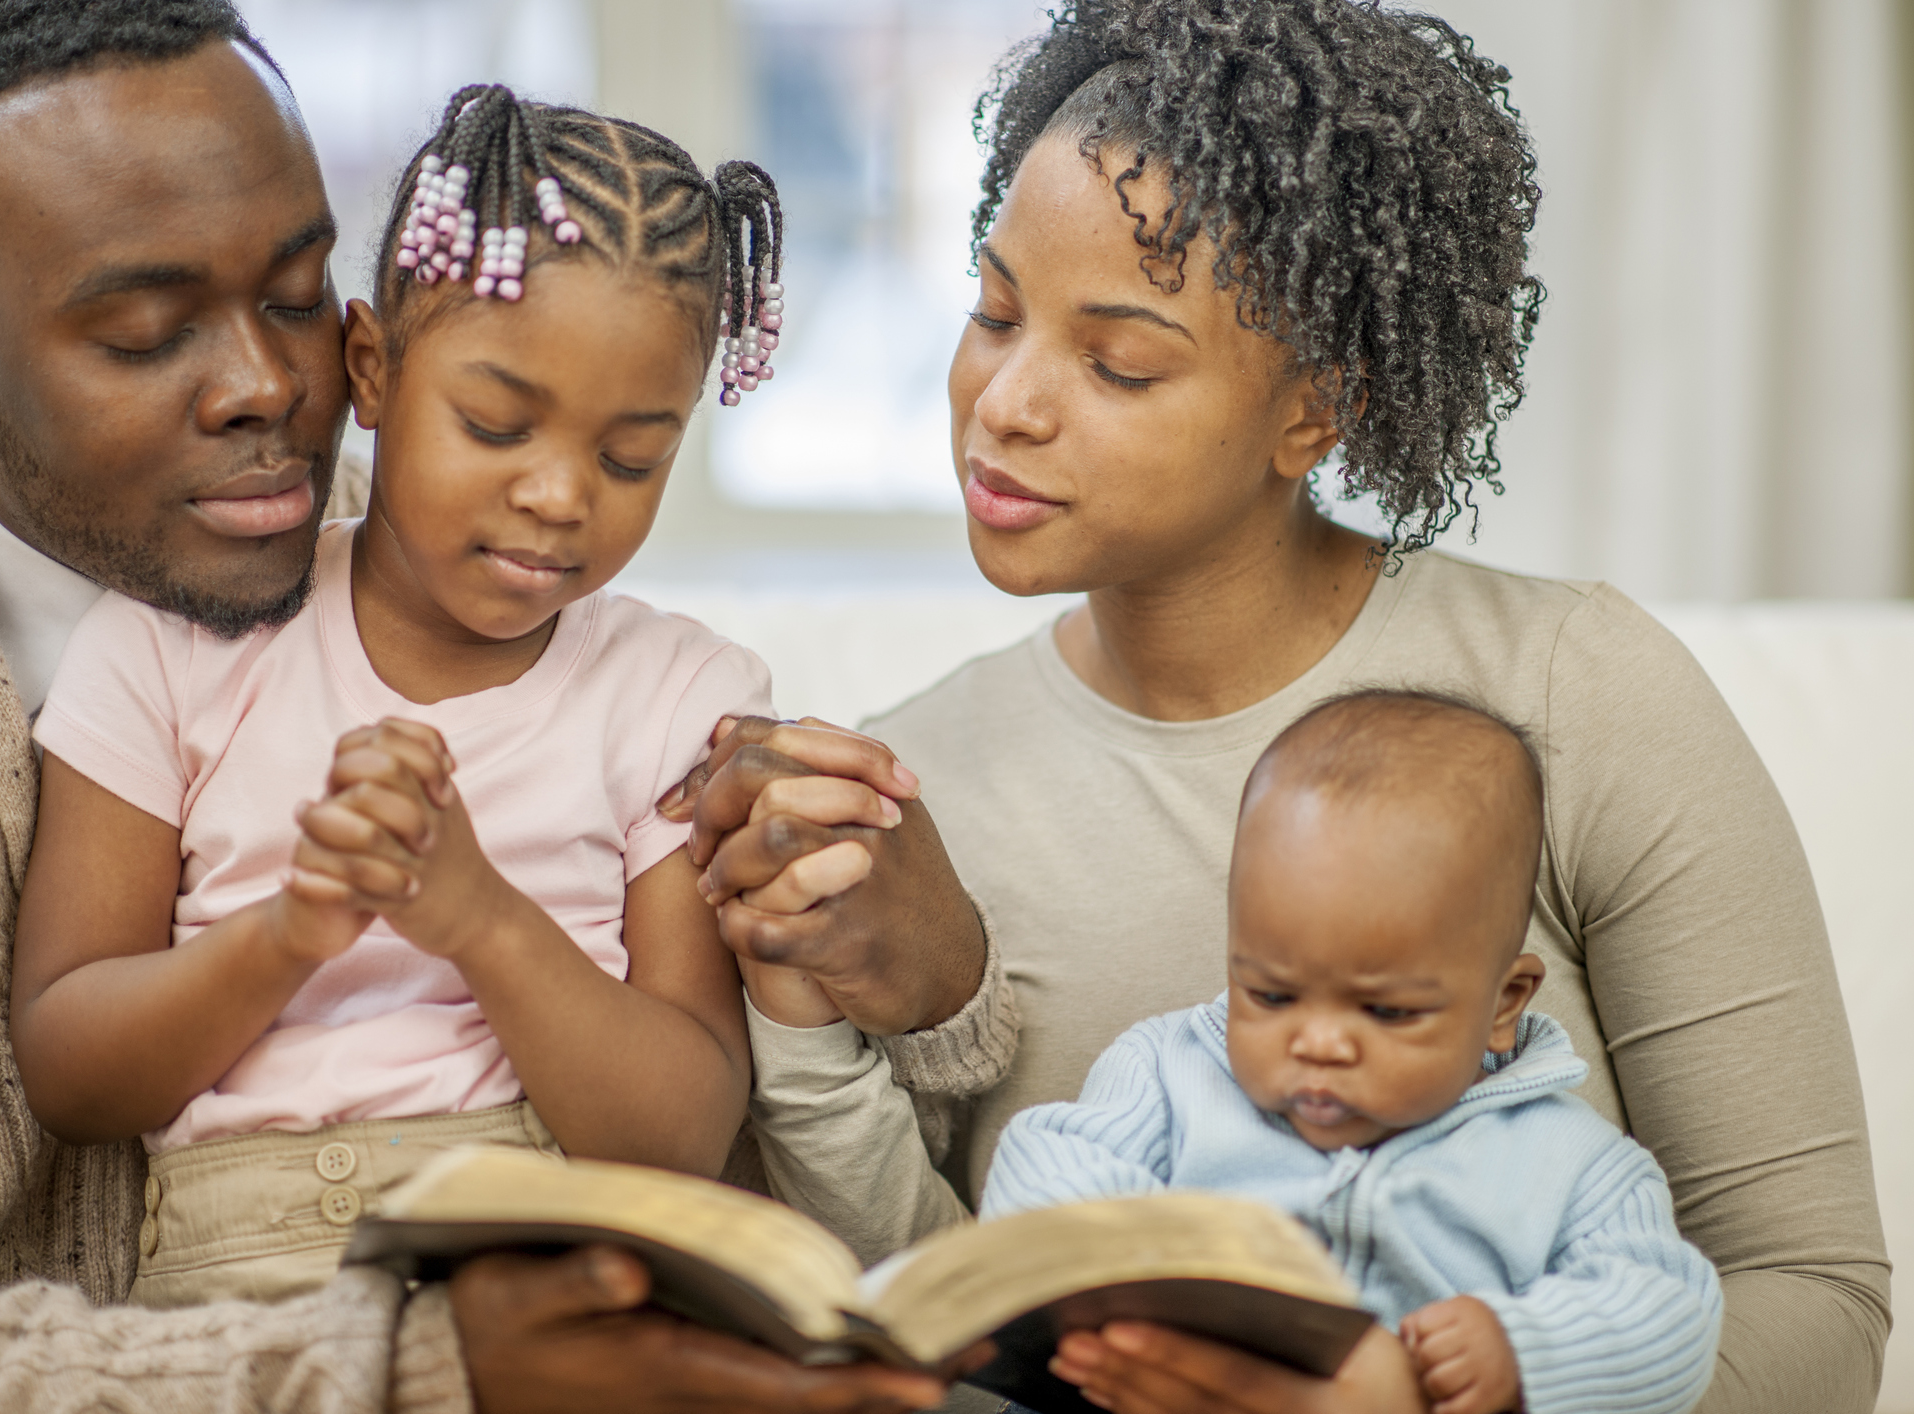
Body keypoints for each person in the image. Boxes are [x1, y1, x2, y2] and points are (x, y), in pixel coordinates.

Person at [665, 2, 1890, 1411]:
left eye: (1118, 362)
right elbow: (956, 1321)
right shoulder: (905, 792)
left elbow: (1818, 1303)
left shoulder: (1574, 696)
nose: (1002, 402)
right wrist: (810, 1008)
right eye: (993, 311)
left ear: (1314, 410)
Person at [0, 1, 946, 1408]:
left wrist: (914, 972)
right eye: (147, 332)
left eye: (294, 296)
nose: (269, 388)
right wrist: (416, 1357)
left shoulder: (587, 638)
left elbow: (703, 1121)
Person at [9, 84, 809, 1307]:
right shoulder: (168, 650)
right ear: (371, 371)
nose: (559, 496)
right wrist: (293, 930)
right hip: (239, 1296)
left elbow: (685, 1132)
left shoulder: (675, 694)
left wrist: (480, 917)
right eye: (495, 426)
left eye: (630, 457)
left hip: (551, 1264)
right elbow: (69, 1071)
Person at [984, 690, 1723, 1414]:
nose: (1318, 1044)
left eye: (1386, 1011)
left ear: (1503, 1004)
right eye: (1271, 995)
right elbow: (1043, 1162)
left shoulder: (1572, 1163)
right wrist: (1156, 1261)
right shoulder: (1169, 1068)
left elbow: (1670, 1310)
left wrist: (1520, 1351)